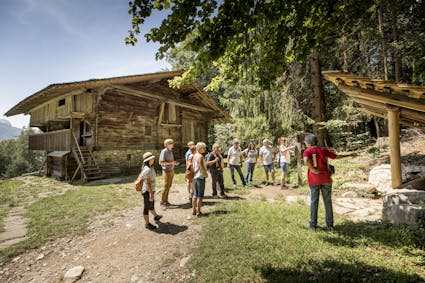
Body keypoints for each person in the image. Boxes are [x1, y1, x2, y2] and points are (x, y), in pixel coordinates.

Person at [303, 134, 355, 230]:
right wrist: (350, 155)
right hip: (326, 179)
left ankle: (312, 225)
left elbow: (305, 160)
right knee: (328, 202)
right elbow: (336, 156)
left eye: (305, 143)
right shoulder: (323, 150)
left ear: (309, 144)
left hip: (314, 180)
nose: (305, 144)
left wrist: (312, 169)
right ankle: (330, 225)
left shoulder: (307, 151)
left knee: (314, 202)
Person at [140, 152, 162, 230]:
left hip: (150, 190)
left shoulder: (151, 167)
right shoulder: (147, 169)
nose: (153, 159)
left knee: (151, 204)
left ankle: (156, 216)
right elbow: (147, 183)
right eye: (152, 158)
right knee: (146, 206)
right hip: (147, 191)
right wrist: (151, 194)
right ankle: (147, 224)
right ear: (148, 160)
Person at [159, 138, 179, 207]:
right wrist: (171, 163)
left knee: (169, 186)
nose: (173, 144)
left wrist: (174, 163)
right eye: (171, 143)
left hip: (171, 170)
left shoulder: (170, 151)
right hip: (166, 171)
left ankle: (166, 201)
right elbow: (160, 162)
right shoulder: (164, 151)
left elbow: (170, 162)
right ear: (167, 144)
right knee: (166, 186)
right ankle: (162, 201)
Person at [193, 142, 208, 216]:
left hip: (195, 176)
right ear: (199, 148)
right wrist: (206, 174)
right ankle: (198, 212)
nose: (205, 149)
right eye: (204, 148)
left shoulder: (195, 155)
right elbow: (201, 166)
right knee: (200, 195)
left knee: (195, 194)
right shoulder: (200, 157)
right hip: (200, 177)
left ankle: (194, 210)